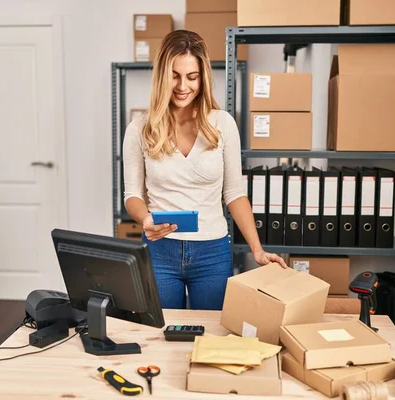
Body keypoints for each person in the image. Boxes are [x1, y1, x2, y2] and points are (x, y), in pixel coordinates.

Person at [122, 30, 287, 311]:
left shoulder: (222, 124)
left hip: (212, 252)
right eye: (174, 75)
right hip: (160, 250)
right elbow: (132, 195)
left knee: (211, 336)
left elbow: (235, 194)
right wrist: (146, 219)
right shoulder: (140, 128)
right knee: (162, 335)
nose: (182, 85)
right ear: (162, 75)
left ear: (203, 77)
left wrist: (257, 250)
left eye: (192, 77)